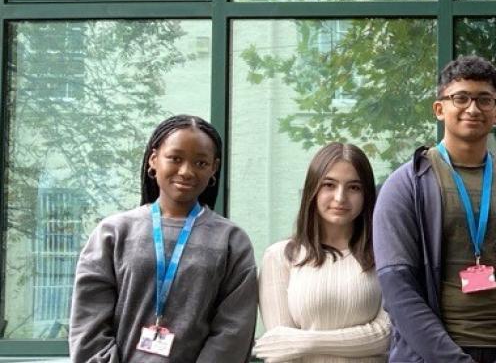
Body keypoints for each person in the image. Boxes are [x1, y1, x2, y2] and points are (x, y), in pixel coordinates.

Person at [374, 56, 496, 363]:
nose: (473, 108)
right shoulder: (405, 186)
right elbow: (397, 287)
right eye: (460, 98)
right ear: (439, 108)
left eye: (484, 100)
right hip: (427, 357)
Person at [69, 115, 259, 362]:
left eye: (201, 163)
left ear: (214, 169)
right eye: (175, 158)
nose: (186, 171)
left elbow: (234, 330)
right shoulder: (113, 232)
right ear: (153, 160)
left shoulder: (232, 241)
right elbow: (88, 321)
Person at [256, 142, 390, 362]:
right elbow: (280, 351)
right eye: (329, 185)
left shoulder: (383, 254)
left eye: (354, 187)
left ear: (366, 195)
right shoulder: (280, 257)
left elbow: (385, 335)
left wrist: (304, 341)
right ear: (313, 190)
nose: (340, 197)